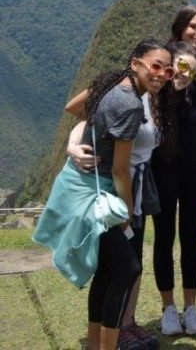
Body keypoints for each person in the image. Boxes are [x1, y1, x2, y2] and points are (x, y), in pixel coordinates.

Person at [34, 39, 174, 350]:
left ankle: (95, 345)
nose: (161, 74)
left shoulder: (117, 86)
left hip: (84, 185)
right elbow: (120, 170)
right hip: (93, 191)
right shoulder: (129, 104)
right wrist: (125, 218)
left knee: (111, 269)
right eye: (155, 66)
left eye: (167, 69)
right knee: (127, 268)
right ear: (135, 62)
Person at [151, 6, 196, 337]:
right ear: (180, 27)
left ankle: (191, 307)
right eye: (193, 27)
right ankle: (168, 308)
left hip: (194, 162)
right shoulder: (160, 63)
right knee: (164, 236)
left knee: (190, 236)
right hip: (162, 163)